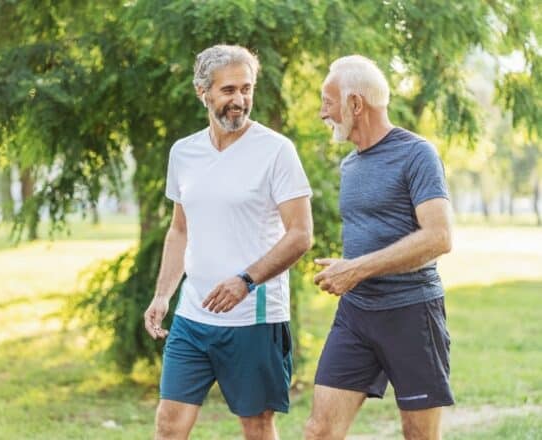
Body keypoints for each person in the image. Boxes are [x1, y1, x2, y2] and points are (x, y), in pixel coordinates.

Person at [143, 44, 313, 440]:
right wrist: (163, 295)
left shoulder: (276, 151)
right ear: (203, 92)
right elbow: (180, 230)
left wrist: (246, 280)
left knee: (256, 426)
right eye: (228, 90)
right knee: (169, 424)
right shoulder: (184, 153)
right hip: (193, 317)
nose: (239, 100)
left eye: (246, 89)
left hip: (254, 318)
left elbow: (301, 234)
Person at [306, 55, 454, 440]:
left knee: (418, 435)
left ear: (355, 103)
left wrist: (356, 268)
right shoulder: (349, 166)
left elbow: (439, 237)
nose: (323, 113)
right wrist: (351, 271)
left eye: (328, 101)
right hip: (356, 314)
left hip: (411, 312)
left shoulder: (417, 154)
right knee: (320, 431)